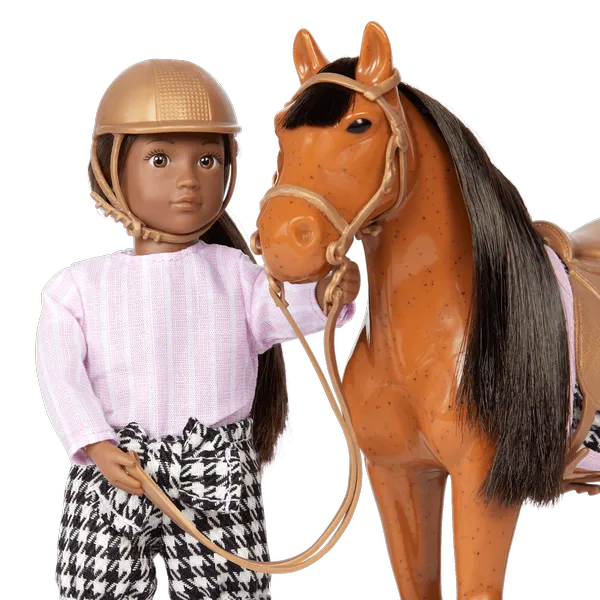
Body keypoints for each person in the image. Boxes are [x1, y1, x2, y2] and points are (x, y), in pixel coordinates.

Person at [35, 57, 359, 600]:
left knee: (233, 589)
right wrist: (92, 441)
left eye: (207, 160)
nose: (188, 179)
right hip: (113, 468)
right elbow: (60, 374)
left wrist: (326, 293)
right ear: (111, 168)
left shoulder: (237, 275)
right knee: (94, 588)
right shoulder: (77, 289)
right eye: (160, 159)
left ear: (228, 168)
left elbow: (283, 311)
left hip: (217, 469)